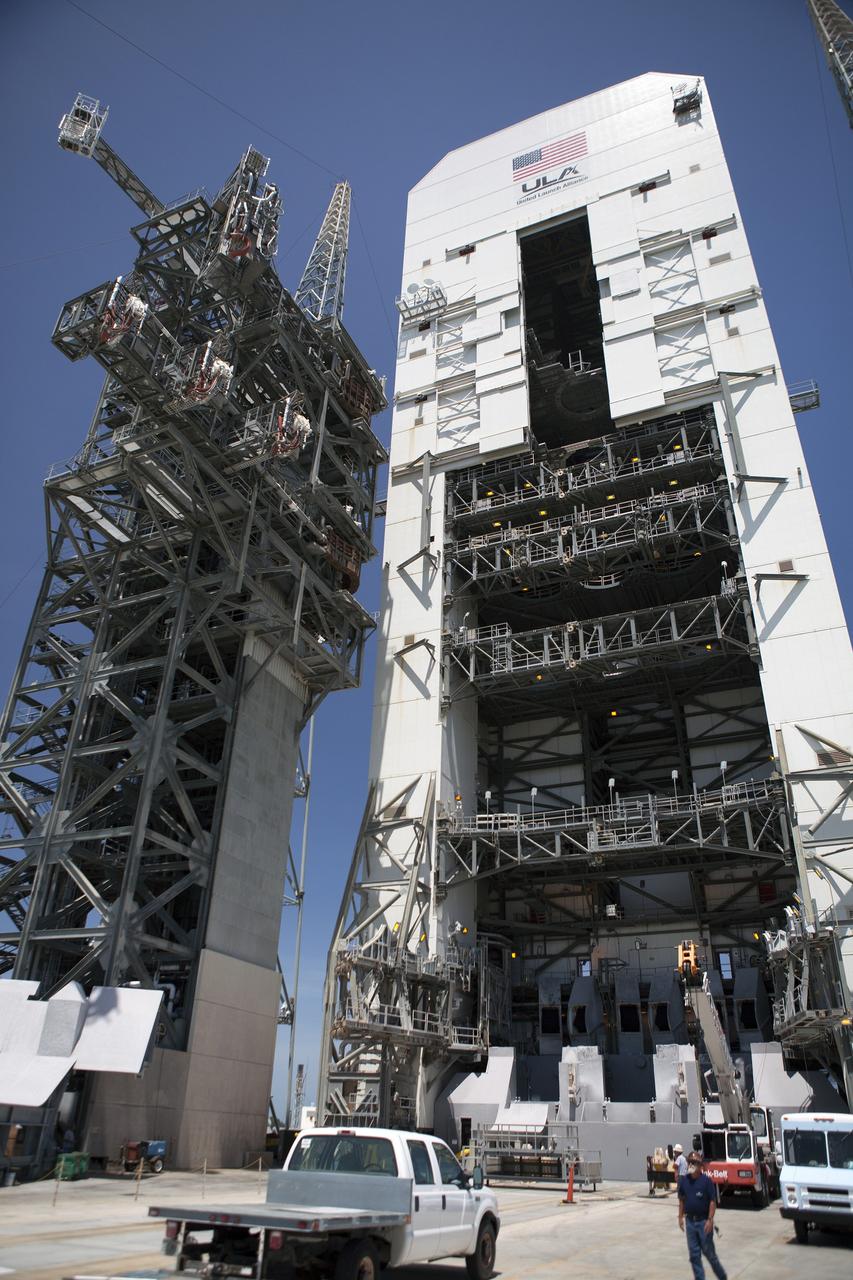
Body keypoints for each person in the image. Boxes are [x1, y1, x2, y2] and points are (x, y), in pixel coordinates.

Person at [677, 1152, 727, 1280]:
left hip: (703, 1222)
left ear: (700, 1166)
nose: (691, 1165)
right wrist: (680, 1217)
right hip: (690, 1222)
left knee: (709, 1254)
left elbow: (712, 1201)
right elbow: (682, 1199)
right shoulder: (684, 1182)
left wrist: (710, 1220)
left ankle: (722, 1277)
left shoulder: (706, 1181)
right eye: (690, 1162)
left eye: (694, 1162)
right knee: (694, 1255)